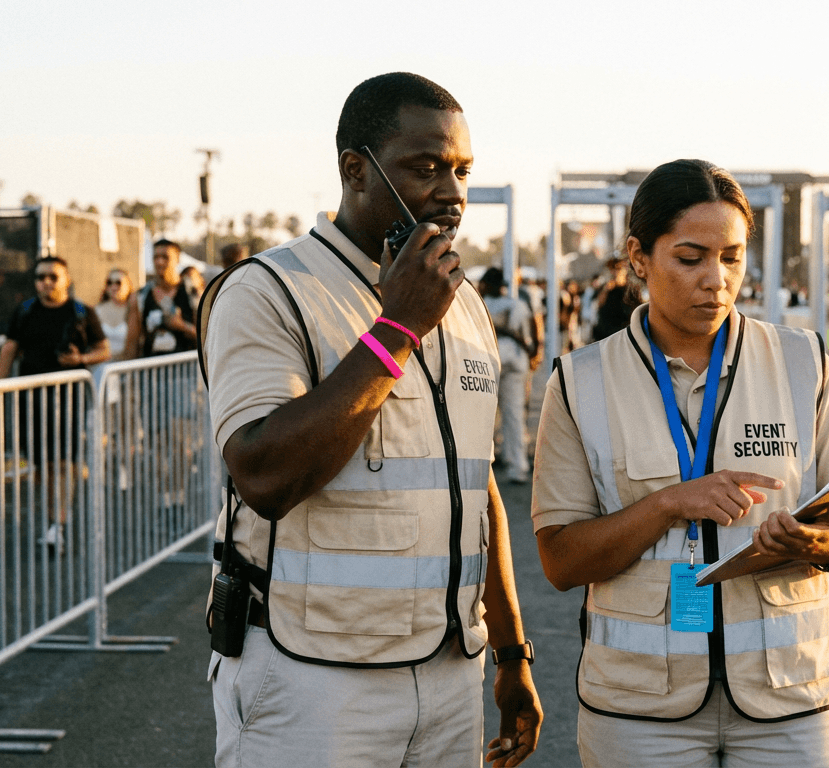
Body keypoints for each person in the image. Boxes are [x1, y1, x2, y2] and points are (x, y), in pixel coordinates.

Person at [198, 72, 541, 768]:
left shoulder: (463, 302)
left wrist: (510, 652)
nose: (451, 193)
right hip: (312, 680)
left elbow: (476, 492)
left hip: (449, 676)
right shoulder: (269, 291)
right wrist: (397, 327)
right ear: (355, 170)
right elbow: (264, 474)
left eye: (463, 171)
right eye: (425, 168)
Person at [531, 159, 829, 767]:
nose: (716, 279)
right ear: (638, 256)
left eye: (732, 257)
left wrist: (819, 545)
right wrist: (667, 504)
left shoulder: (803, 363)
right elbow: (561, 561)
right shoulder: (580, 382)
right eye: (690, 258)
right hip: (640, 710)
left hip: (792, 698)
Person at [0, 257, 110, 549]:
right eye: (40, 277)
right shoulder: (25, 310)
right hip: (31, 398)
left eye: (52, 277)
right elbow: (9, 348)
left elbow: (103, 349)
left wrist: (81, 359)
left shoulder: (81, 311)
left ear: (66, 279)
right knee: (40, 464)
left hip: (68, 399)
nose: (46, 282)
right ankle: (52, 520)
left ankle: (58, 522)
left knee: (63, 461)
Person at [478, 267, 538, 485]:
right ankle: (518, 466)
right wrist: (532, 352)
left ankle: (483, 466)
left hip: (488, 360)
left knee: (484, 416)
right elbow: (531, 330)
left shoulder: (480, 304)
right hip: (515, 360)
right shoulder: (518, 304)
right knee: (514, 415)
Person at [125, 238, 198, 359]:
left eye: (165, 257)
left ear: (178, 259)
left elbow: (206, 338)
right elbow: (132, 343)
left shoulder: (192, 294)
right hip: (152, 371)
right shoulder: (140, 296)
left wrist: (182, 326)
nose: (159, 262)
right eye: (155, 257)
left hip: (186, 371)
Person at [591, 257, 634, 341]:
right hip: (604, 335)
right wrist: (606, 289)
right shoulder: (606, 288)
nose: (615, 272)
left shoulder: (631, 290)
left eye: (618, 268)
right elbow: (598, 304)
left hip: (622, 335)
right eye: (613, 269)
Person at [95, 268, 132, 358]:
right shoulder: (97, 310)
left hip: (126, 364)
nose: (113, 287)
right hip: (102, 366)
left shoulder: (133, 311)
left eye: (118, 283)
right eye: (109, 282)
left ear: (128, 285)